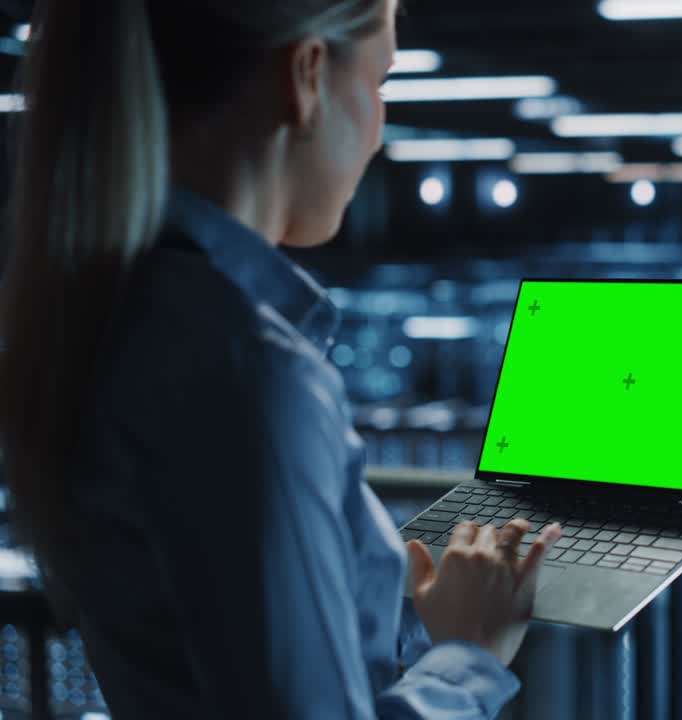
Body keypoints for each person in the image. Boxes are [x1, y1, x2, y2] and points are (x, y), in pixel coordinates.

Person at [0, 0, 567, 716]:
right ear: (305, 76)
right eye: (382, 80)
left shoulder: (119, 320)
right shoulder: (249, 374)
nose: (379, 130)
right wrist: (470, 653)